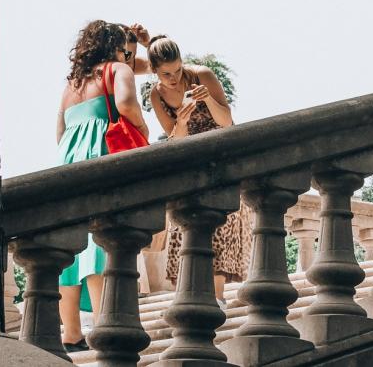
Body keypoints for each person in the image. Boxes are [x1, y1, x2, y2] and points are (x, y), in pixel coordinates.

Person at [56, 20, 149, 352]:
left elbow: (60, 130)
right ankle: (101, 321)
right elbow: (125, 104)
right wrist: (142, 129)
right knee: (100, 240)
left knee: (70, 243)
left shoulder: (72, 85)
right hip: (101, 154)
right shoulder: (117, 69)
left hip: (68, 161)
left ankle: (70, 332)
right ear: (115, 47)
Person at [147, 34, 250, 308]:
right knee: (186, 227)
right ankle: (195, 294)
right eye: (166, 73)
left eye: (178, 70)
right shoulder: (156, 94)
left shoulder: (202, 75)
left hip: (221, 159)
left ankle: (217, 298)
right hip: (190, 166)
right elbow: (174, 139)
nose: (173, 78)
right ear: (155, 71)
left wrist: (209, 101)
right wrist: (181, 119)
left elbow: (228, 123)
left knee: (220, 225)